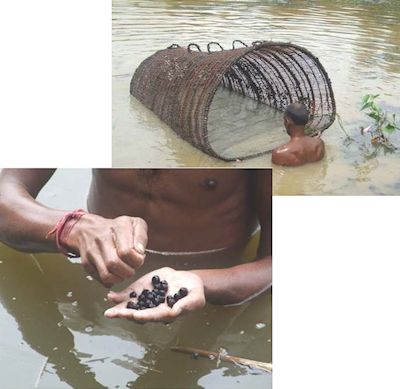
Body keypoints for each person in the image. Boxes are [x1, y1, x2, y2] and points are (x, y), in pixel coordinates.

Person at [0, 169, 272, 324]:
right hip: (96, 288)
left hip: (208, 294)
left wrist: (201, 281)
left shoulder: (259, 129)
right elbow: (5, 195)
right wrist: (73, 228)